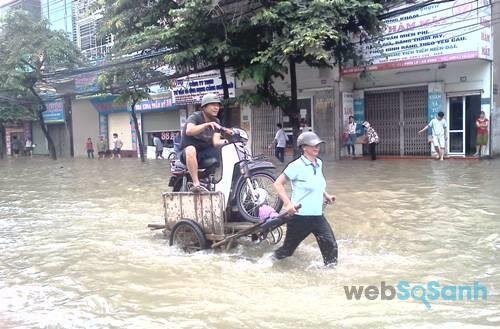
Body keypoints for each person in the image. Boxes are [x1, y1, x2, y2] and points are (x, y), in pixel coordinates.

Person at [273, 131, 338, 266]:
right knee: (287, 251)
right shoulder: (296, 166)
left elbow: (316, 183)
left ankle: (330, 275)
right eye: (313, 145)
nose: (317, 148)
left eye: (318, 145)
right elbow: (278, 184)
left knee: (331, 246)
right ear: (304, 147)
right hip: (300, 217)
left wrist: (326, 195)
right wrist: (288, 204)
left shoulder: (319, 163)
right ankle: (266, 263)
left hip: (317, 215)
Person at [180, 93, 231, 192]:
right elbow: (189, 131)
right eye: (213, 105)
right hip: (188, 154)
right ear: (204, 107)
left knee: (223, 151)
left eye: (217, 105)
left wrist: (227, 141)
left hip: (204, 153)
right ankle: (196, 184)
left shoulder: (216, 121)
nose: (216, 108)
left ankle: (217, 181)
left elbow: (216, 142)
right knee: (191, 149)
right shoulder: (195, 117)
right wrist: (206, 125)